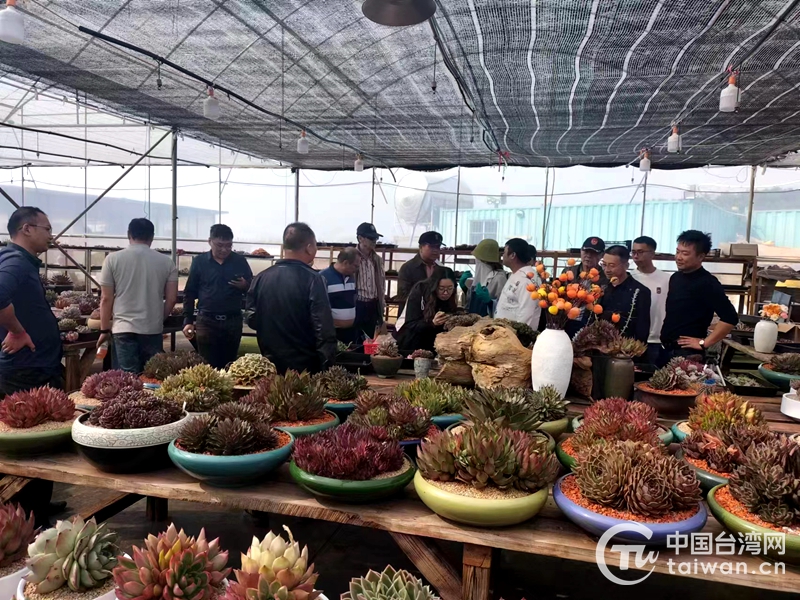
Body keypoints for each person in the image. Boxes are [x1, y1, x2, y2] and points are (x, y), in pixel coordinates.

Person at [0, 207, 65, 526]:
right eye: (47, 228)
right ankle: (26, 517)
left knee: (41, 439)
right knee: (32, 442)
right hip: (26, 369)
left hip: (34, 366)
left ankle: (38, 505)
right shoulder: (15, 261)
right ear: (27, 229)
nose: (51, 235)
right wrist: (16, 330)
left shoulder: (22, 262)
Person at [246, 222, 336, 374]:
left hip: (270, 365)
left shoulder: (261, 278)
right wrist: (328, 366)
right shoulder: (314, 279)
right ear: (309, 248)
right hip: (305, 368)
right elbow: (323, 328)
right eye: (315, 246)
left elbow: (251, 318)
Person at [97, 218, 179, 373]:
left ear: (128, 234)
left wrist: (103, 330)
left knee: (127, 380)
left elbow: (106, 298)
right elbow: (172, 298)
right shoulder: (167, 262)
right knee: (151, 376)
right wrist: (159, 318)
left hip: (123, 328)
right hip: (152, 329)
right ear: (152, 236)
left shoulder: (112, 259)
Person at [660, 230, 738, 365]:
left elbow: (730, 318)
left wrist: (704, 343)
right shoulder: (676, 277)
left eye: (685, 254)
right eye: (677, 252)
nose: (678, 257)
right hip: (666, 349)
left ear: (701, 256)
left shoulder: (708, 283)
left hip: (688, 354)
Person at [181, 224, 252, 369]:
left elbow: (253, 289)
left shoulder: (239, 261)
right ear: (210, 241)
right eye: (220, 245)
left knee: (229, 365)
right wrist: (188, 320)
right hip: (207, 321)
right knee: (207, 365)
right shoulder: (200, 262)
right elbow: (190, 292)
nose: (224, 250)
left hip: (232, 321)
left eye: (228, 245)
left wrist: (245, 285)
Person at [630, 235, 672, 366]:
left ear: (652, 253)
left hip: (658, 339)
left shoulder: (666, 279)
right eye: (633, 252)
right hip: (634, 340)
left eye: (640, 252)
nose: (636, 256)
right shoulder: (629, 278)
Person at [396, 269, 457, 356]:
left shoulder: (451, 297)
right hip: (413, 342)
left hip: (436, 344)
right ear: (434, 286)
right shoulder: (420, 290)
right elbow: (410, 323)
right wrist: (432, 323)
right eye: (441, 288)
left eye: (450, 288)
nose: (446, 292)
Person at [601, 245, 651, 343]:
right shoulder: (600, 286)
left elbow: (642, 328)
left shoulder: (640, 291)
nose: (607, 270)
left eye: (612, 265)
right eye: (604, 265)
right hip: (599, 344)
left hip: (625, 346)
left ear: (626, 266)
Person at [564, 236, 608, 337]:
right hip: (565, 321)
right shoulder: (569, 272)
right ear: (581, 251)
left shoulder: (605, 278)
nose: (588, 256)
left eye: (593, 253)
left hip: (589, 324)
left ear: (602, 255)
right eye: (586, 251)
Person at [397, 231, 454, 308]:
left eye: (438, 247)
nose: (435, 250)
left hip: (436, 312)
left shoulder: (443, 269)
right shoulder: (408, 268)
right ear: (421, 247)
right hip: (413, 312)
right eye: (431, 247)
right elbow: (402, 296)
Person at [495, 239, 540, 328]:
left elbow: (526, 314)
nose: (502, 255)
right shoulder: (516, 273)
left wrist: (518, 334)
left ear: (513, 255)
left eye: (504, 252)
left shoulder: (527, 278)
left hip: (515, 334)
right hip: (504, 331)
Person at [321, 248, 360, 345]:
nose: (357, 270)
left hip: (350, 331)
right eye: (355, 266)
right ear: (346, 263)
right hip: (332, 332)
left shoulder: (351, 278)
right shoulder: (322, 277)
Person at [354, 223, 386, 341]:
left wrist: (381, 305)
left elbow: (381, 285)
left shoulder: (377, 259)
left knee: (371, 340)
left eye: (375, 238)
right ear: (360, 238)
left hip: (373, 306)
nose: (374, 241)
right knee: (354, 339)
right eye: (371, 238)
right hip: (357, 304)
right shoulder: (351, 257)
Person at [463, 239, 507, 316]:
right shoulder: (480, 277)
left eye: (478, 260)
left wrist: (490, 302)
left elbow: (504, 308)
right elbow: (470, 304)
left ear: (484, 261)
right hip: (473, 319)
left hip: (489, 322)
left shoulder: (499, 279)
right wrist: (465, 289)